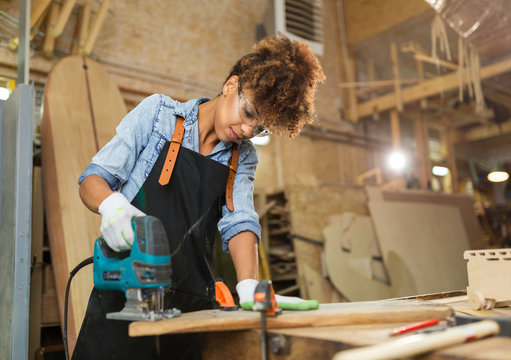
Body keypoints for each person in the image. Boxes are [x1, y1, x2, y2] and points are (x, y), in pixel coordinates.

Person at [72, 33, 325, 359]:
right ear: (232, 85)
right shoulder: (158, 114)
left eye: (261, 128)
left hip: (190, 307)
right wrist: (111, 205)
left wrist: (248, 285)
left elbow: (241, 219)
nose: (249, 131)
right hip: (126, 297)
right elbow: (93, 178)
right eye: (249, 113)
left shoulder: (242, 156)